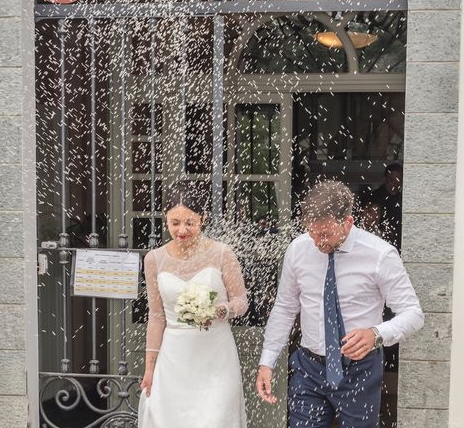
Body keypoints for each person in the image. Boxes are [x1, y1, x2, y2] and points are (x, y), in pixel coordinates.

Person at [255, 181, 423, 428]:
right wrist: (267, 361)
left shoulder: (381, 255)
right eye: (312, 232)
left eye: (325, 234)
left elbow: (413, 314)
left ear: (348, 222)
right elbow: (285, 308)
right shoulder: (298, 250)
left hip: (360, 370)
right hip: (308, 368)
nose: (317, 242)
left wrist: (377, 334)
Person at [137, 181, 248, 427]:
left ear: (203, 218)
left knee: (215, 420)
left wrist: (223, 310)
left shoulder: (222, 253)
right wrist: (149, 369)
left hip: (216, 356)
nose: (182, 230)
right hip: (174, 358)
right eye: (174, 223)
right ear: (165, 220)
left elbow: (241, 301)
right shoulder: (154, 260)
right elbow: (156, 317)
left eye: (190, 222)